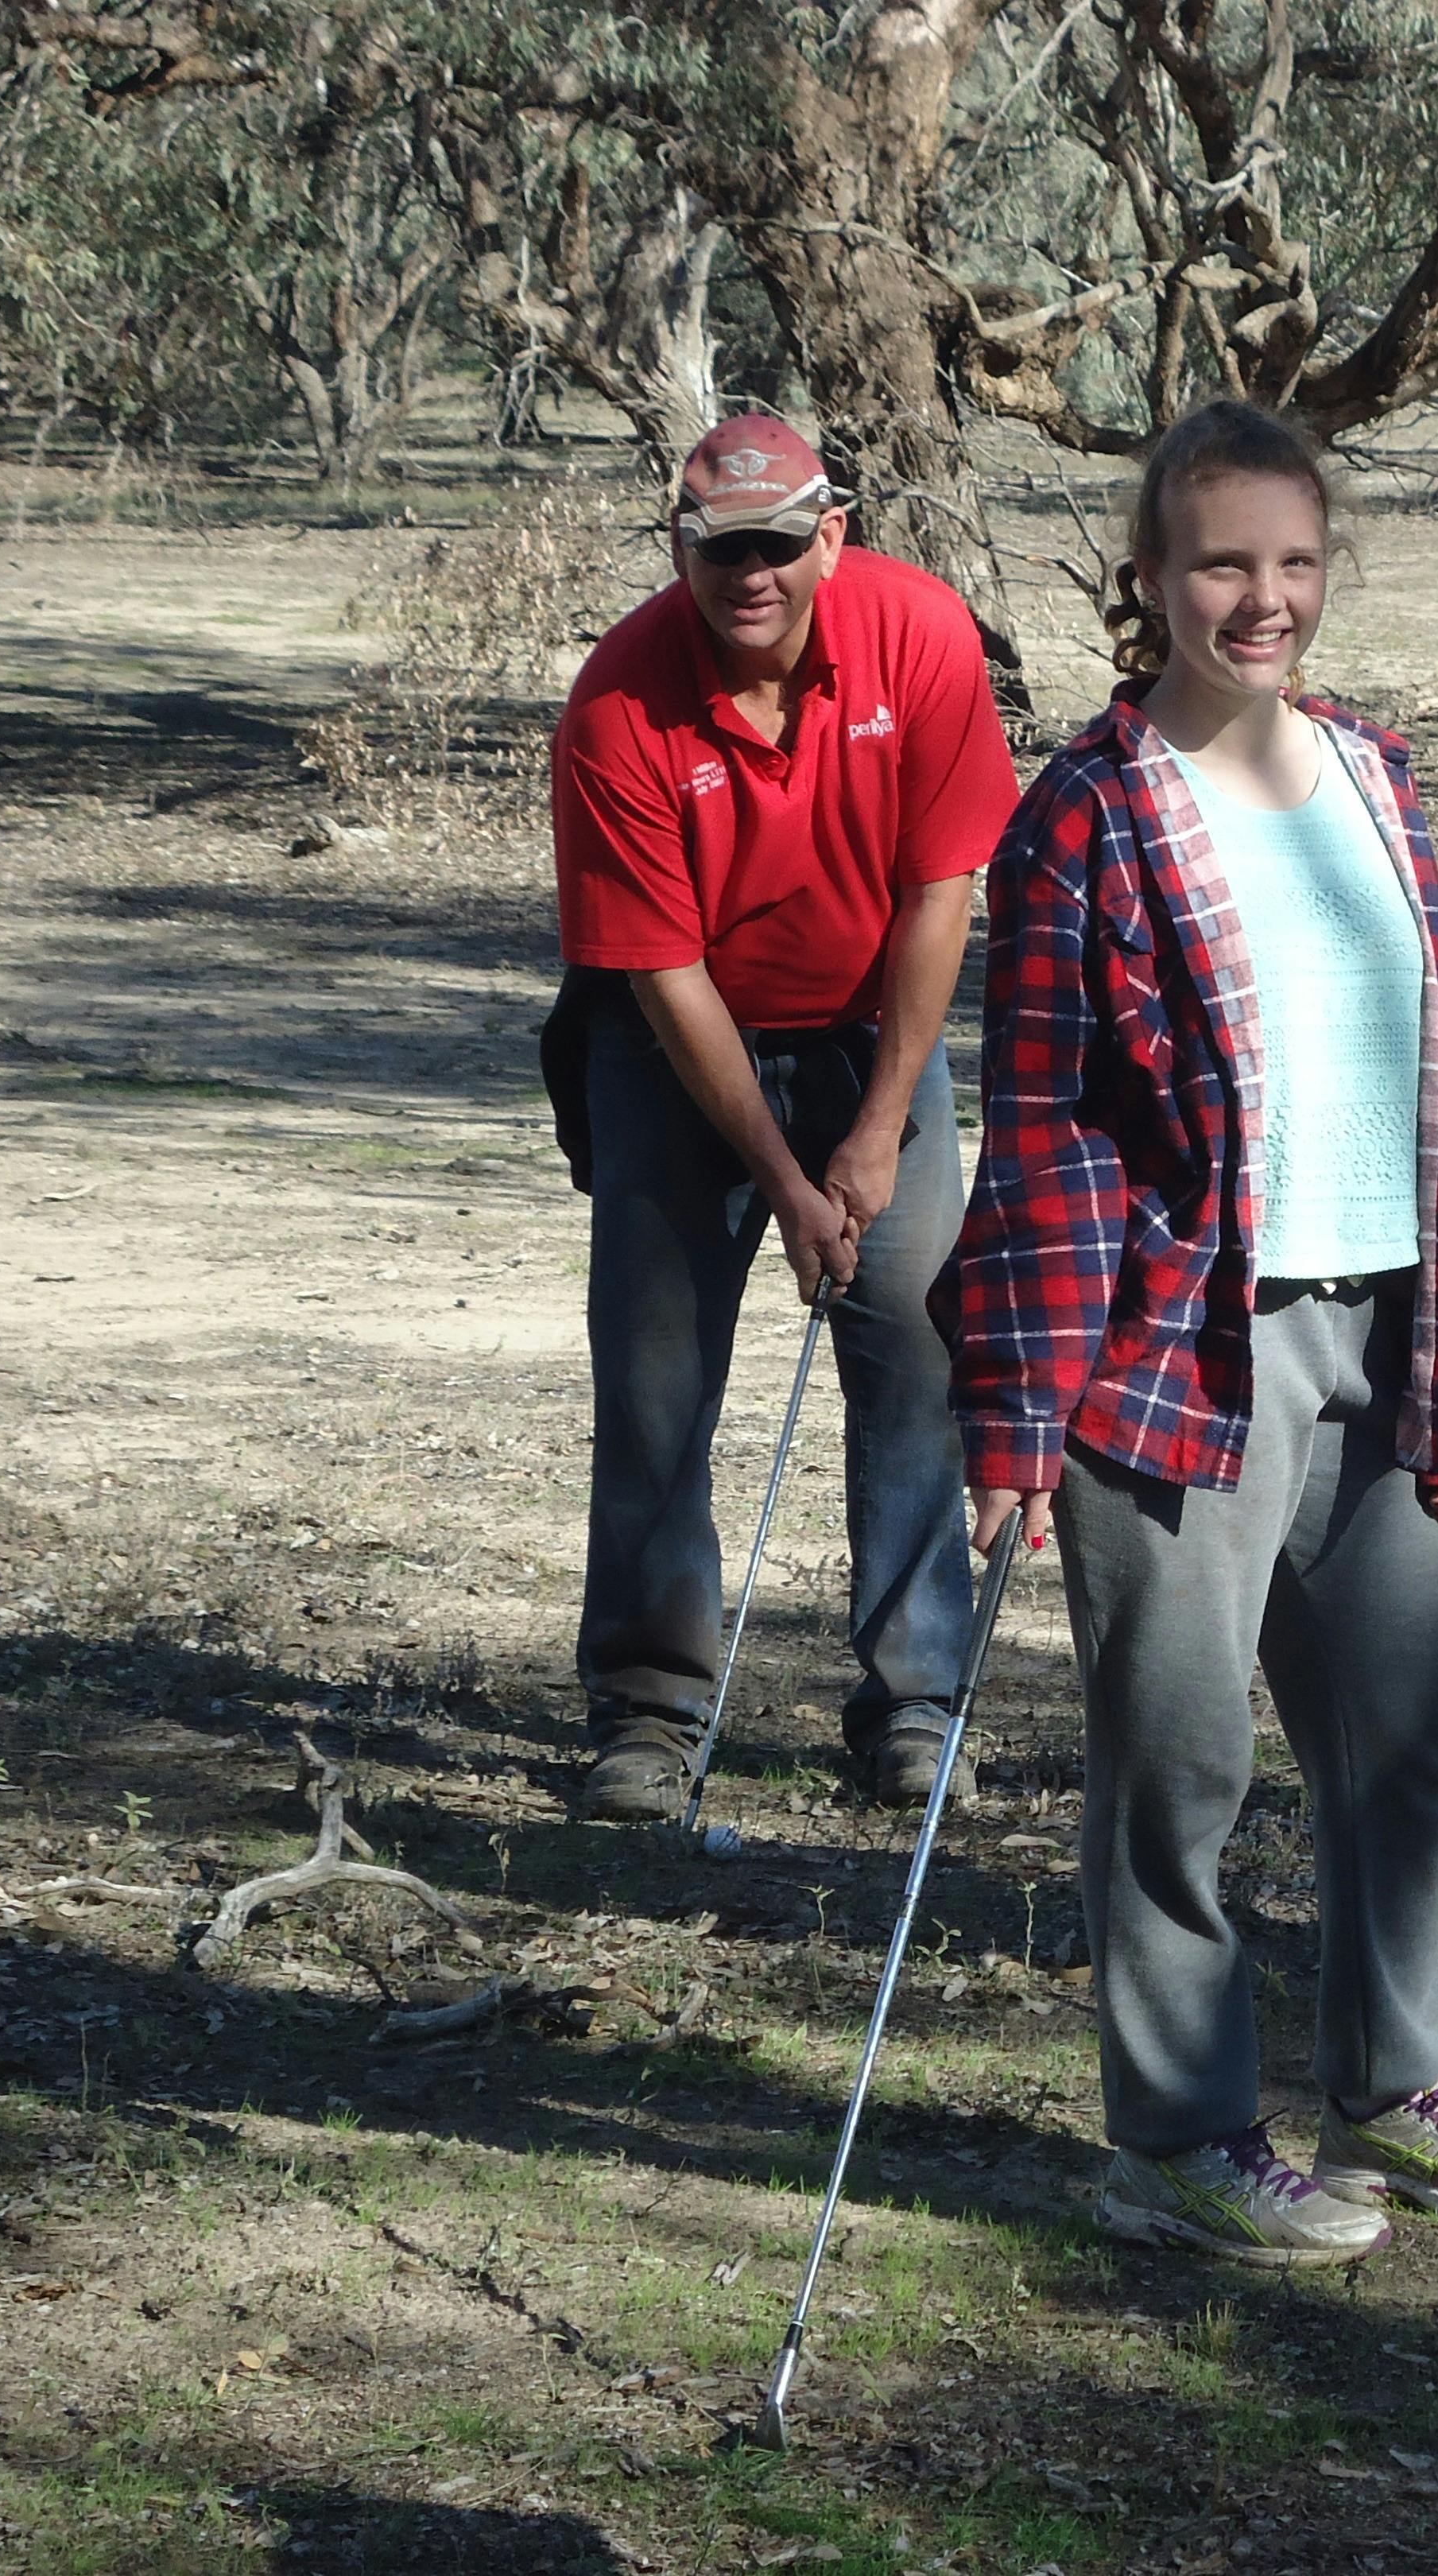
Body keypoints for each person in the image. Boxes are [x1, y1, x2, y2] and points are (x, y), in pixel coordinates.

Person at [946, 401, 1438, 2267]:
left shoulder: (1376, 772)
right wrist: (1014, 1415)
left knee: (1409, 1715)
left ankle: (1392, 2088)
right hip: (1177, 1341)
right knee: (1182, 1749)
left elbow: (1425, 1081)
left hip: (1380, 1317)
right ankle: (1181, 2134)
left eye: (1295, 563)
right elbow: (1044, 1129)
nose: (1263, 597)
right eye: (1224, 562)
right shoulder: (1090, 809)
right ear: (1147, 578)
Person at [546, 413, 1016, 1822]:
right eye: (715, 548)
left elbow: (943, 894)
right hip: (675, 1046)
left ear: (832, 533)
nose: (747, 573)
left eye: (773, 543)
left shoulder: (922, 638)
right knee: (653, 1380)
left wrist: (874, 1134)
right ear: (676, 548)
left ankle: (917, 1702)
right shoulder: (619, 704)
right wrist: (784, 1175)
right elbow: (661, 973)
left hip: (879, 1027)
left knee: (917, 1351)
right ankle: (647, 1707)